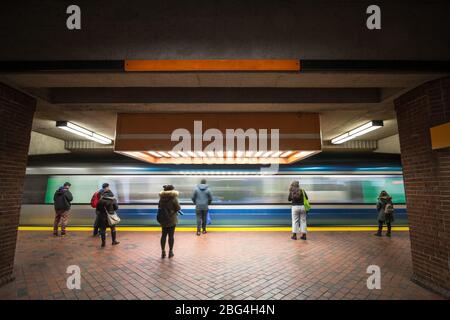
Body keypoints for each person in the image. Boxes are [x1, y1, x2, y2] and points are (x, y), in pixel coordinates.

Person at [157, 184, 180, 258]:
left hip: (163, 219)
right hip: (171, 219)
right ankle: (170, 252)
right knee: (171, 236)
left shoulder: (161, 198)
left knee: (163, 235)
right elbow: (178, 208)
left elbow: (159, 207)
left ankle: (163, 252)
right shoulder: (173, 198)